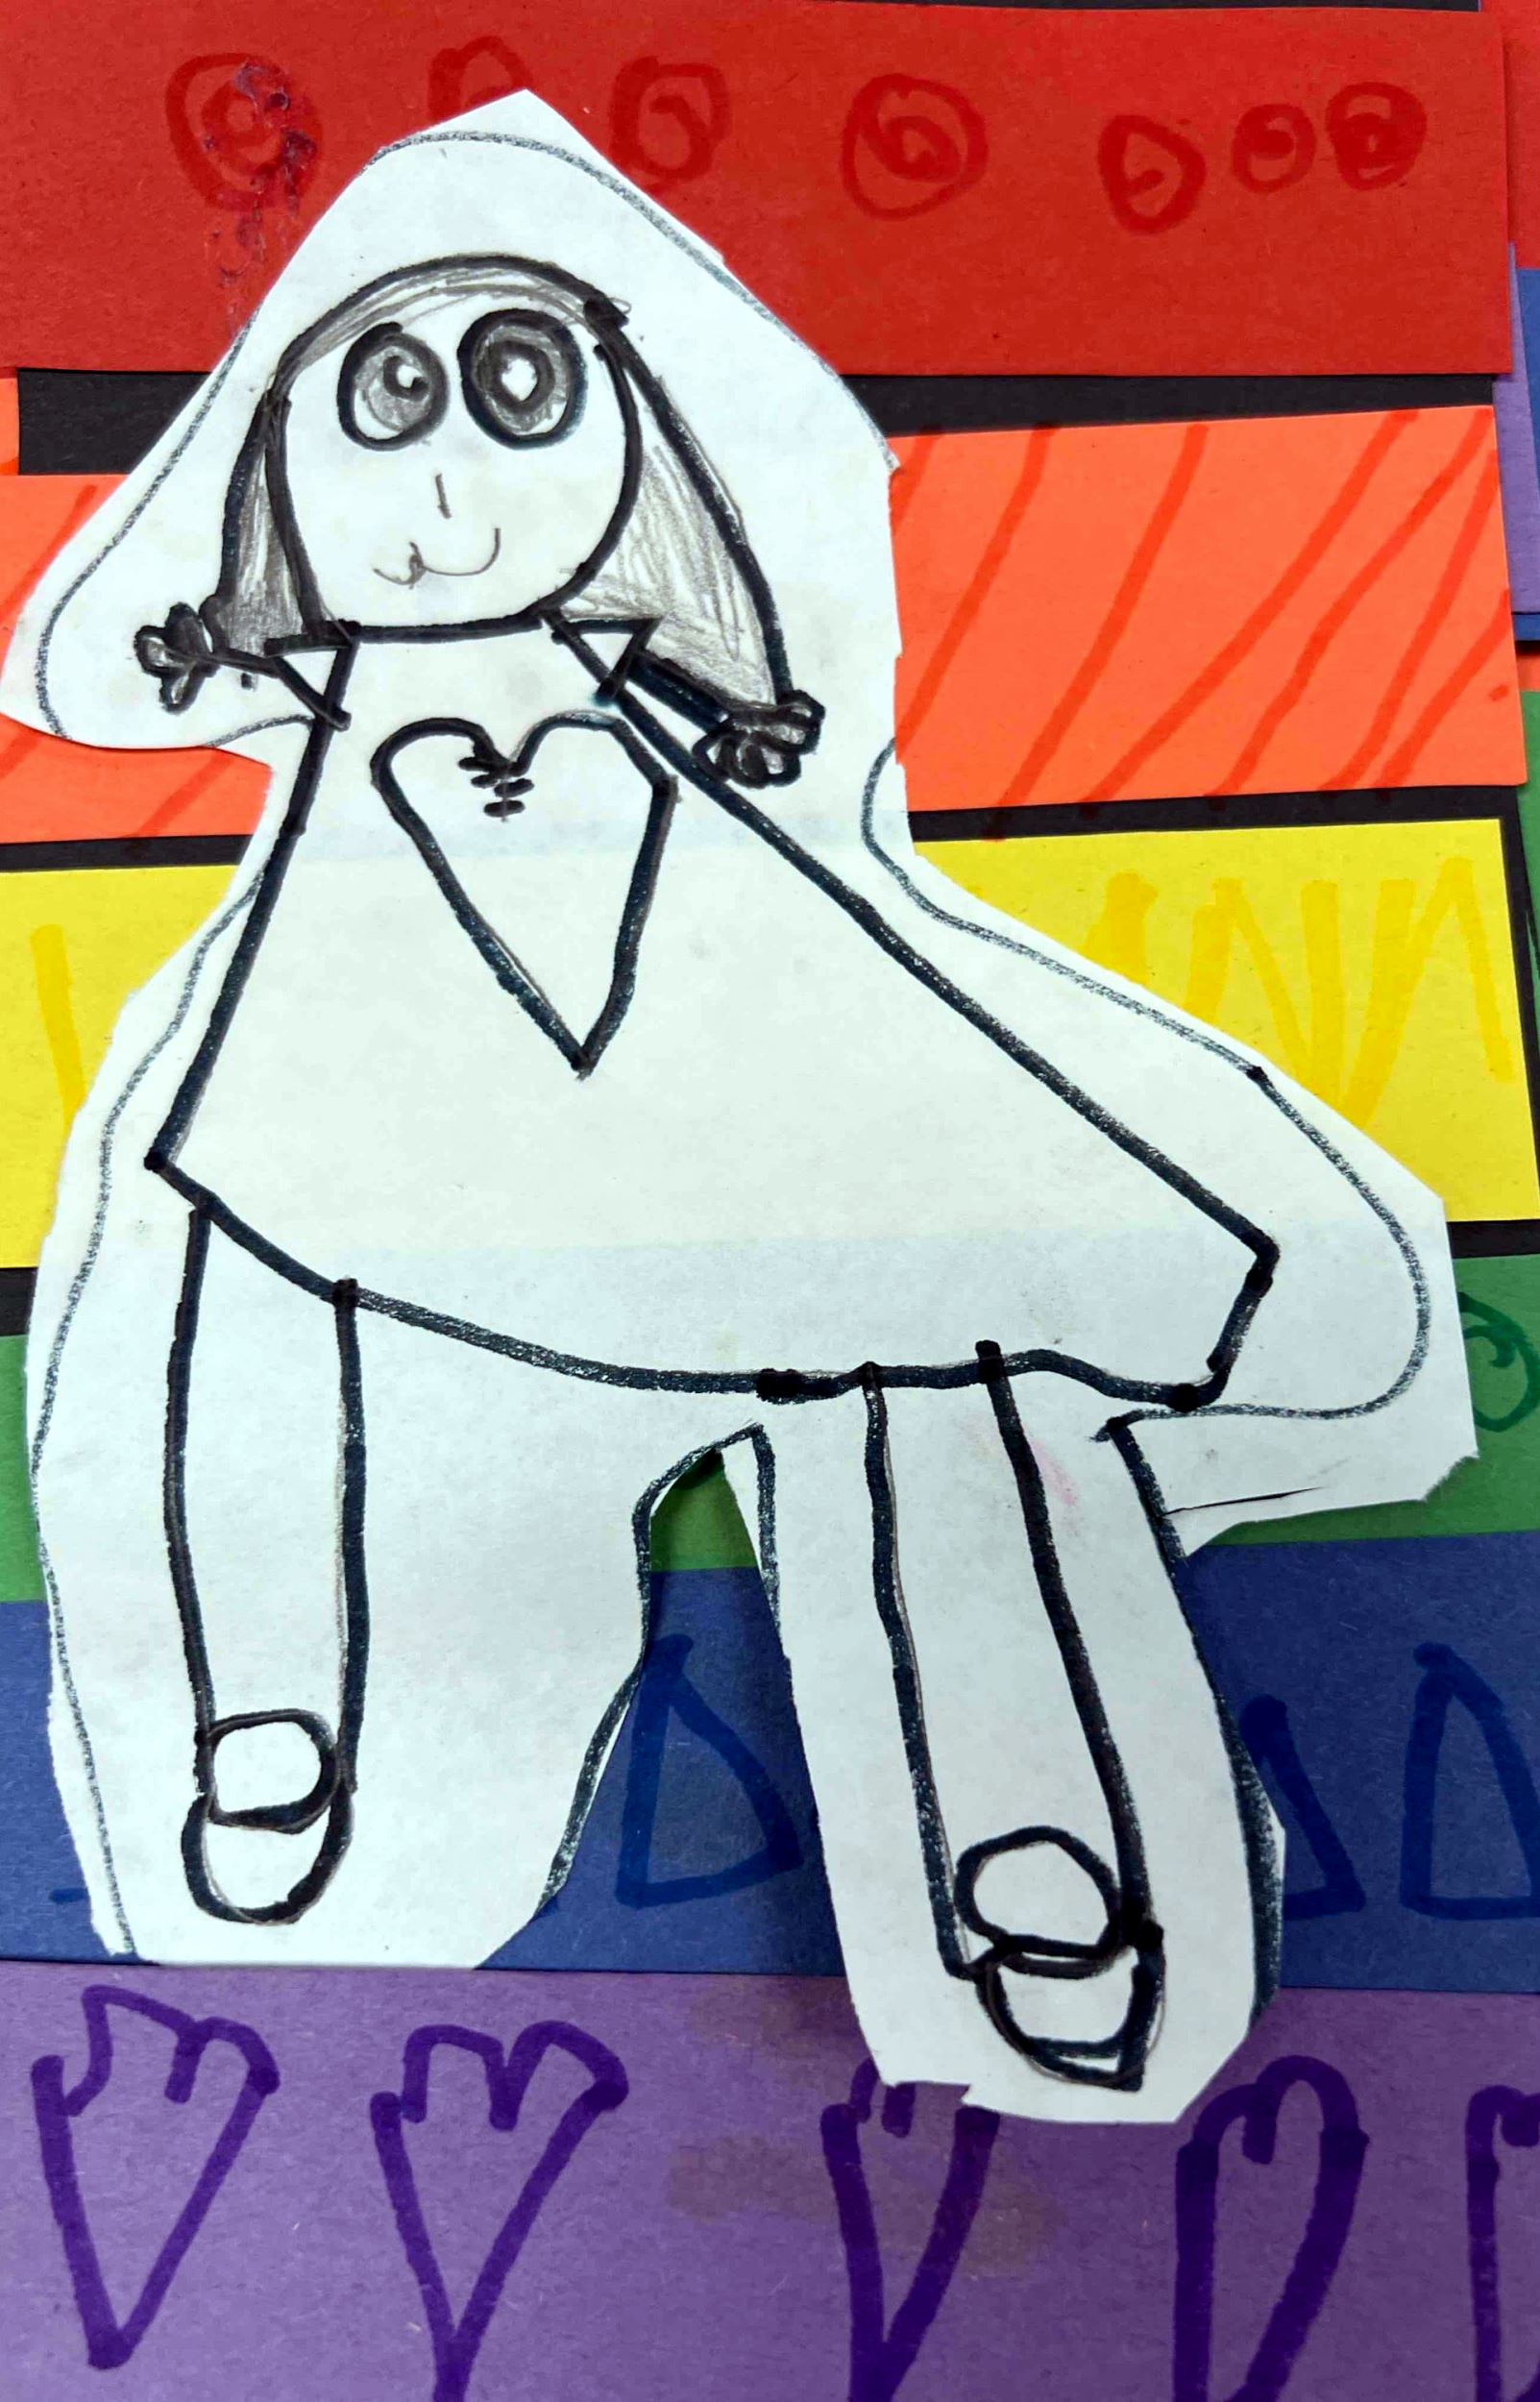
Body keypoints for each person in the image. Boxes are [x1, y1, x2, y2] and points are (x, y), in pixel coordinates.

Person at [0, 95, 1472, 2121]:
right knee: (229, 1254)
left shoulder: (665, 712)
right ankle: (268, 1702)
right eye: (387, 404)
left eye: (522, 394)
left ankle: (1028, 1831)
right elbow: (108, 680)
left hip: (727, 1060)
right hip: (382, 1071)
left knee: (927, 1340)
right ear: (278, 474)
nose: (448, 479)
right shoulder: (320, 723)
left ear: (632, 447)